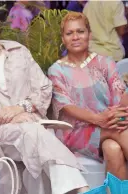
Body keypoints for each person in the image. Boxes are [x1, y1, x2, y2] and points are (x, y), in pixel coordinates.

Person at [0, 3, 89, 194]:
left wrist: (19, 109)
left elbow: (43, 87)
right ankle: (79, 188)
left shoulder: (18, 52)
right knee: (31, 132)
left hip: (30, 124)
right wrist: (8, 118)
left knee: (32, 134)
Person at [48, 12, 128, 180]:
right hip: (77, 131)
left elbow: (119, 94)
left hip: (110, 124)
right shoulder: (57, 70)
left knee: (112, 149)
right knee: (121, 132)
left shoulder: (105, 62)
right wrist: (99, 119)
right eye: (69, 33)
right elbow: (67, 107)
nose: (75, 37)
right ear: (63, 38)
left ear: (89, 34)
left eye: (80, 31)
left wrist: (120, 116)